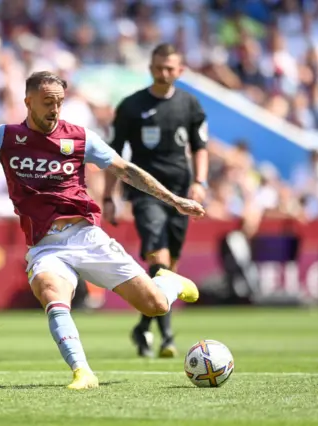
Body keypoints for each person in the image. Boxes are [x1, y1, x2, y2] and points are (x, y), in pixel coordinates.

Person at [0, 70, 205, 390]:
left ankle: (169, 283)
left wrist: (173, 199)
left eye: (59, 103)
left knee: (155, 305)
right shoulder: (5, 138)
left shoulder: (79, 137)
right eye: (48, 102)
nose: (54, 110)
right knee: (51, 292)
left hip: (86, 236)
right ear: (28, 102)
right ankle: (83, 372)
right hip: (46, 245)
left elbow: (126, 170)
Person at [102, 43, 209, 358]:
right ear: (150, 68)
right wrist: (109, 196)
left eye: (170, 68)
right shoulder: (131, 106)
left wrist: (200, 182)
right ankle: (168, 338)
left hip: (181, 195)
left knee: (171, 269)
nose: (164, 73)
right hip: (145, 193)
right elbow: (112, 155)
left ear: (180, 71)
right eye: (158, 67)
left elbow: (200, 145)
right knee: (159, 261)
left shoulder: (190, 105)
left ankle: (142, 328)